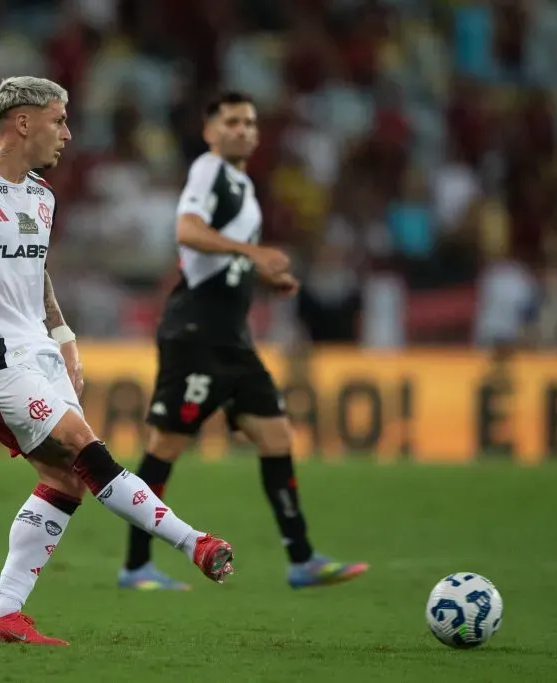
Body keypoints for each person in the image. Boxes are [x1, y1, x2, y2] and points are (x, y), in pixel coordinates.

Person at [0, 77, 234, 646]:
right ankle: (195, 542)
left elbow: (35, 276)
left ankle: (1, 614)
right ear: (22, 121)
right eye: (59, 120)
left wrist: (64, 338)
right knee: (83, 446)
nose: (67, 133)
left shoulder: (42, 197)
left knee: (63, 477)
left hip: (37, 353)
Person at [117, 91, 368, 591]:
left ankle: (302, 559)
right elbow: (188, 231)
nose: (242, 130)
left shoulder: (245, 188)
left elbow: (222, 256)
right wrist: (252, 252)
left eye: (249, 122)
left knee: (276, 437)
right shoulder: (209, 170)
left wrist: (262, 276)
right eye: (231, 121)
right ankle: (135, 566)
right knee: (164, 446)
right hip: (197, 333)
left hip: (233, 338)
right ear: (210, 131)